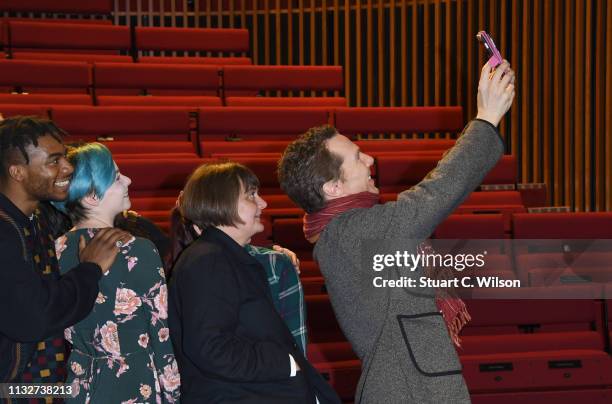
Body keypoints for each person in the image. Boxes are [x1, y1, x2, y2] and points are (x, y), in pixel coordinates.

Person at [277, 61, 516, 403]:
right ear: (333, 187)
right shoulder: (348, 234)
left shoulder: (349, 231)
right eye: (358, 158)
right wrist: (485, 119)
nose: (371, 160)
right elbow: (431, 197)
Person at [168, 162, 340, 403]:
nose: (263, 203)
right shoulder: (208, 260)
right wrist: (285, 362)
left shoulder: (223, 256)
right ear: (221, 202)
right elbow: (210, 348)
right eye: (251, 195)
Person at [0, 117, 129, 385]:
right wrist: (90, 269)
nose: (68, 168)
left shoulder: (37, 219)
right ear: (17, 172)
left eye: (65, 158)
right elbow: (33, 318)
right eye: (54, 161)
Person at [53, 143, 180, 403]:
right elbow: (161, 335)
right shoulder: (139, 250)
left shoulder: (55, 249)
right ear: (92, 196)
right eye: (117, 176)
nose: (128, 180)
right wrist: (173, 395)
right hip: (134, 385)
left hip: (78, 384)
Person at [168, 207, 308, 354]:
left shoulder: (274, 265)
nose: (261, 204)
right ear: (199, 228)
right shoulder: (179, 272)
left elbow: (296, 346)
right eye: (249, 195)